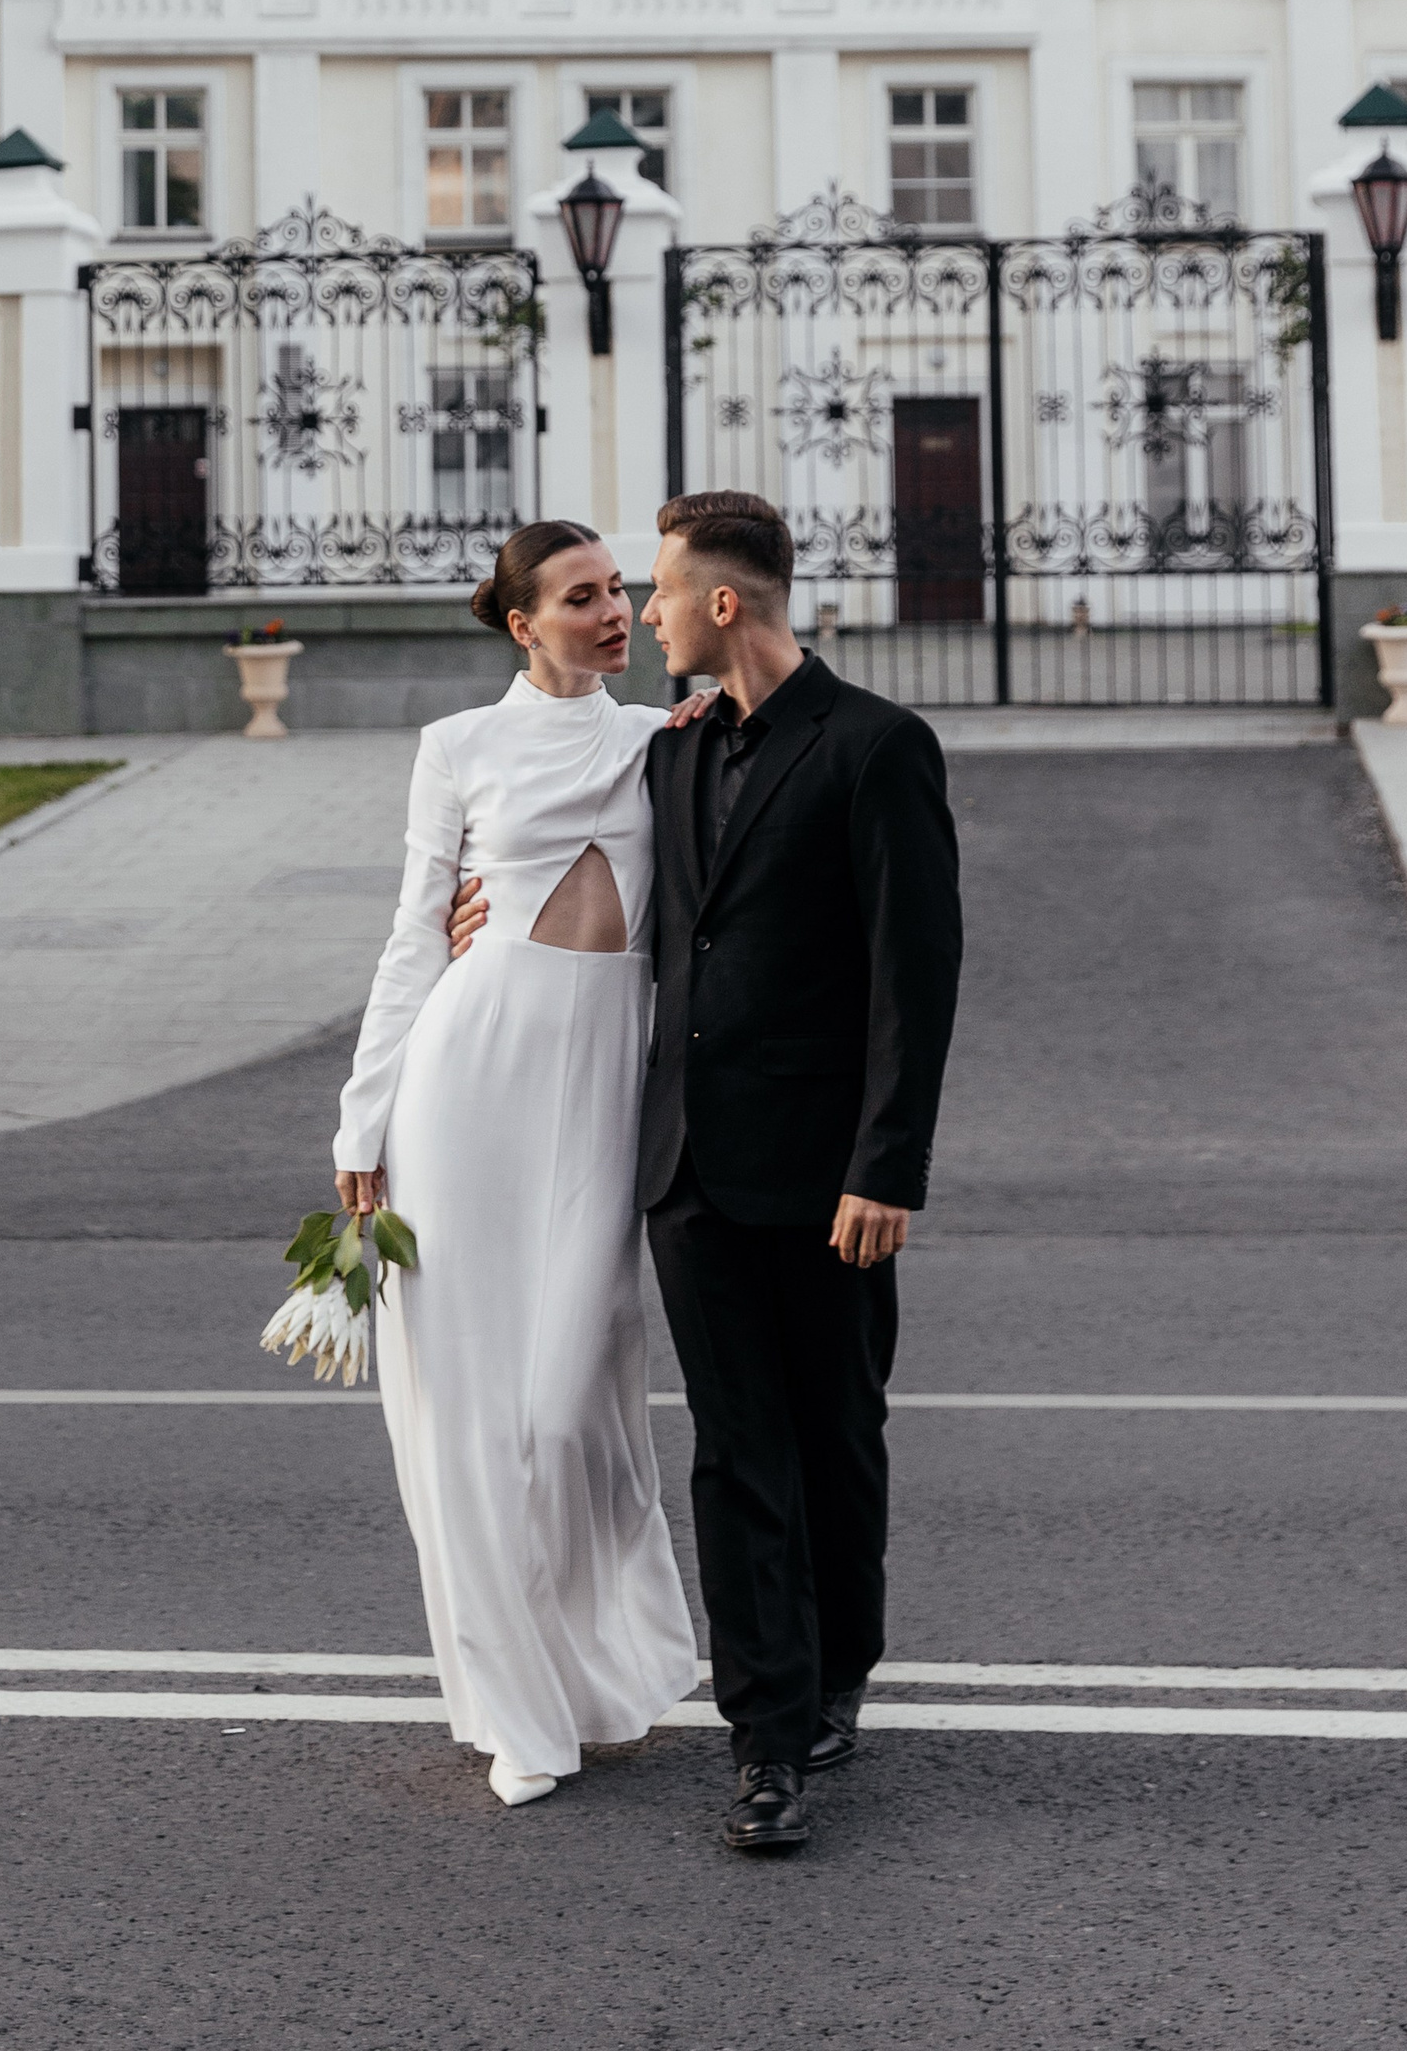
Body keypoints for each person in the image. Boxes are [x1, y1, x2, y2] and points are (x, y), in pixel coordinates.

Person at [447, 488, 961, 1856]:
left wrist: (886, 1163)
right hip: (687, 1170)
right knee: (737, 1455)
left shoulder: (879, 749)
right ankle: (769, 1741)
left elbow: (918, 977)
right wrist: (470, 913)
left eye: (659, 590)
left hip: (831, 1178)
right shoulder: (670, 752)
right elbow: (564, 842)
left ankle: (841, 1661)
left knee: (837, 1436)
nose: (643, 611)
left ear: (721, 603)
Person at [332, 521, 701, 1809]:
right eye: (582, 597)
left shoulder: (668, 741)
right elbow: (413, 937)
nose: (613, 613)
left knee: (567, 1404)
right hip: (465, 1085)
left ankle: (598, 1669)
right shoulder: (458, 748)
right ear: (521, 623)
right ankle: (516, 1712)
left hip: (604, 1088)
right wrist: (360, 1124)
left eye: (619, 592)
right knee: (472, 1420)